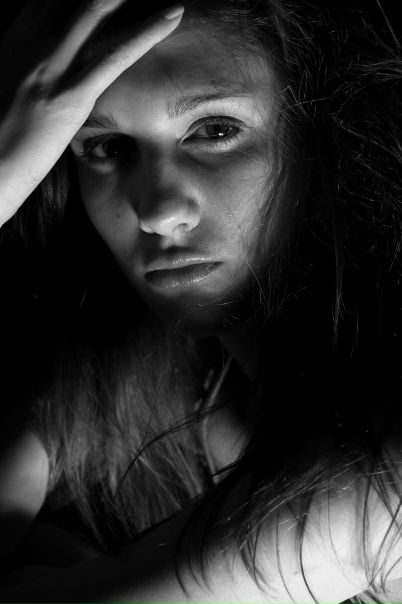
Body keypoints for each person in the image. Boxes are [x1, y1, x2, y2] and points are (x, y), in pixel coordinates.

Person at [0, 0, 401, 602]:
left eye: (215, 131)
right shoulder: (145, 394)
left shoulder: (383, 462)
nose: (158, 212)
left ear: (324, 140)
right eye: (109, 147)